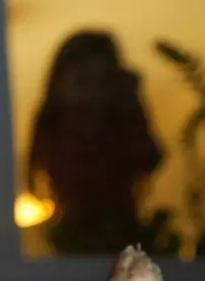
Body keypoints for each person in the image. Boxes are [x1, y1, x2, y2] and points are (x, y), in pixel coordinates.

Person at [28, 30, 164, 253]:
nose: (93, 96)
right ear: (59, 87)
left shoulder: (120, 125)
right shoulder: (53, 128)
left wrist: (132, 106)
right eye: (83, 83)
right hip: (75, 236)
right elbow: (70, 173)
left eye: (103, 84)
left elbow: (149, 158)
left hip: (123, 231)